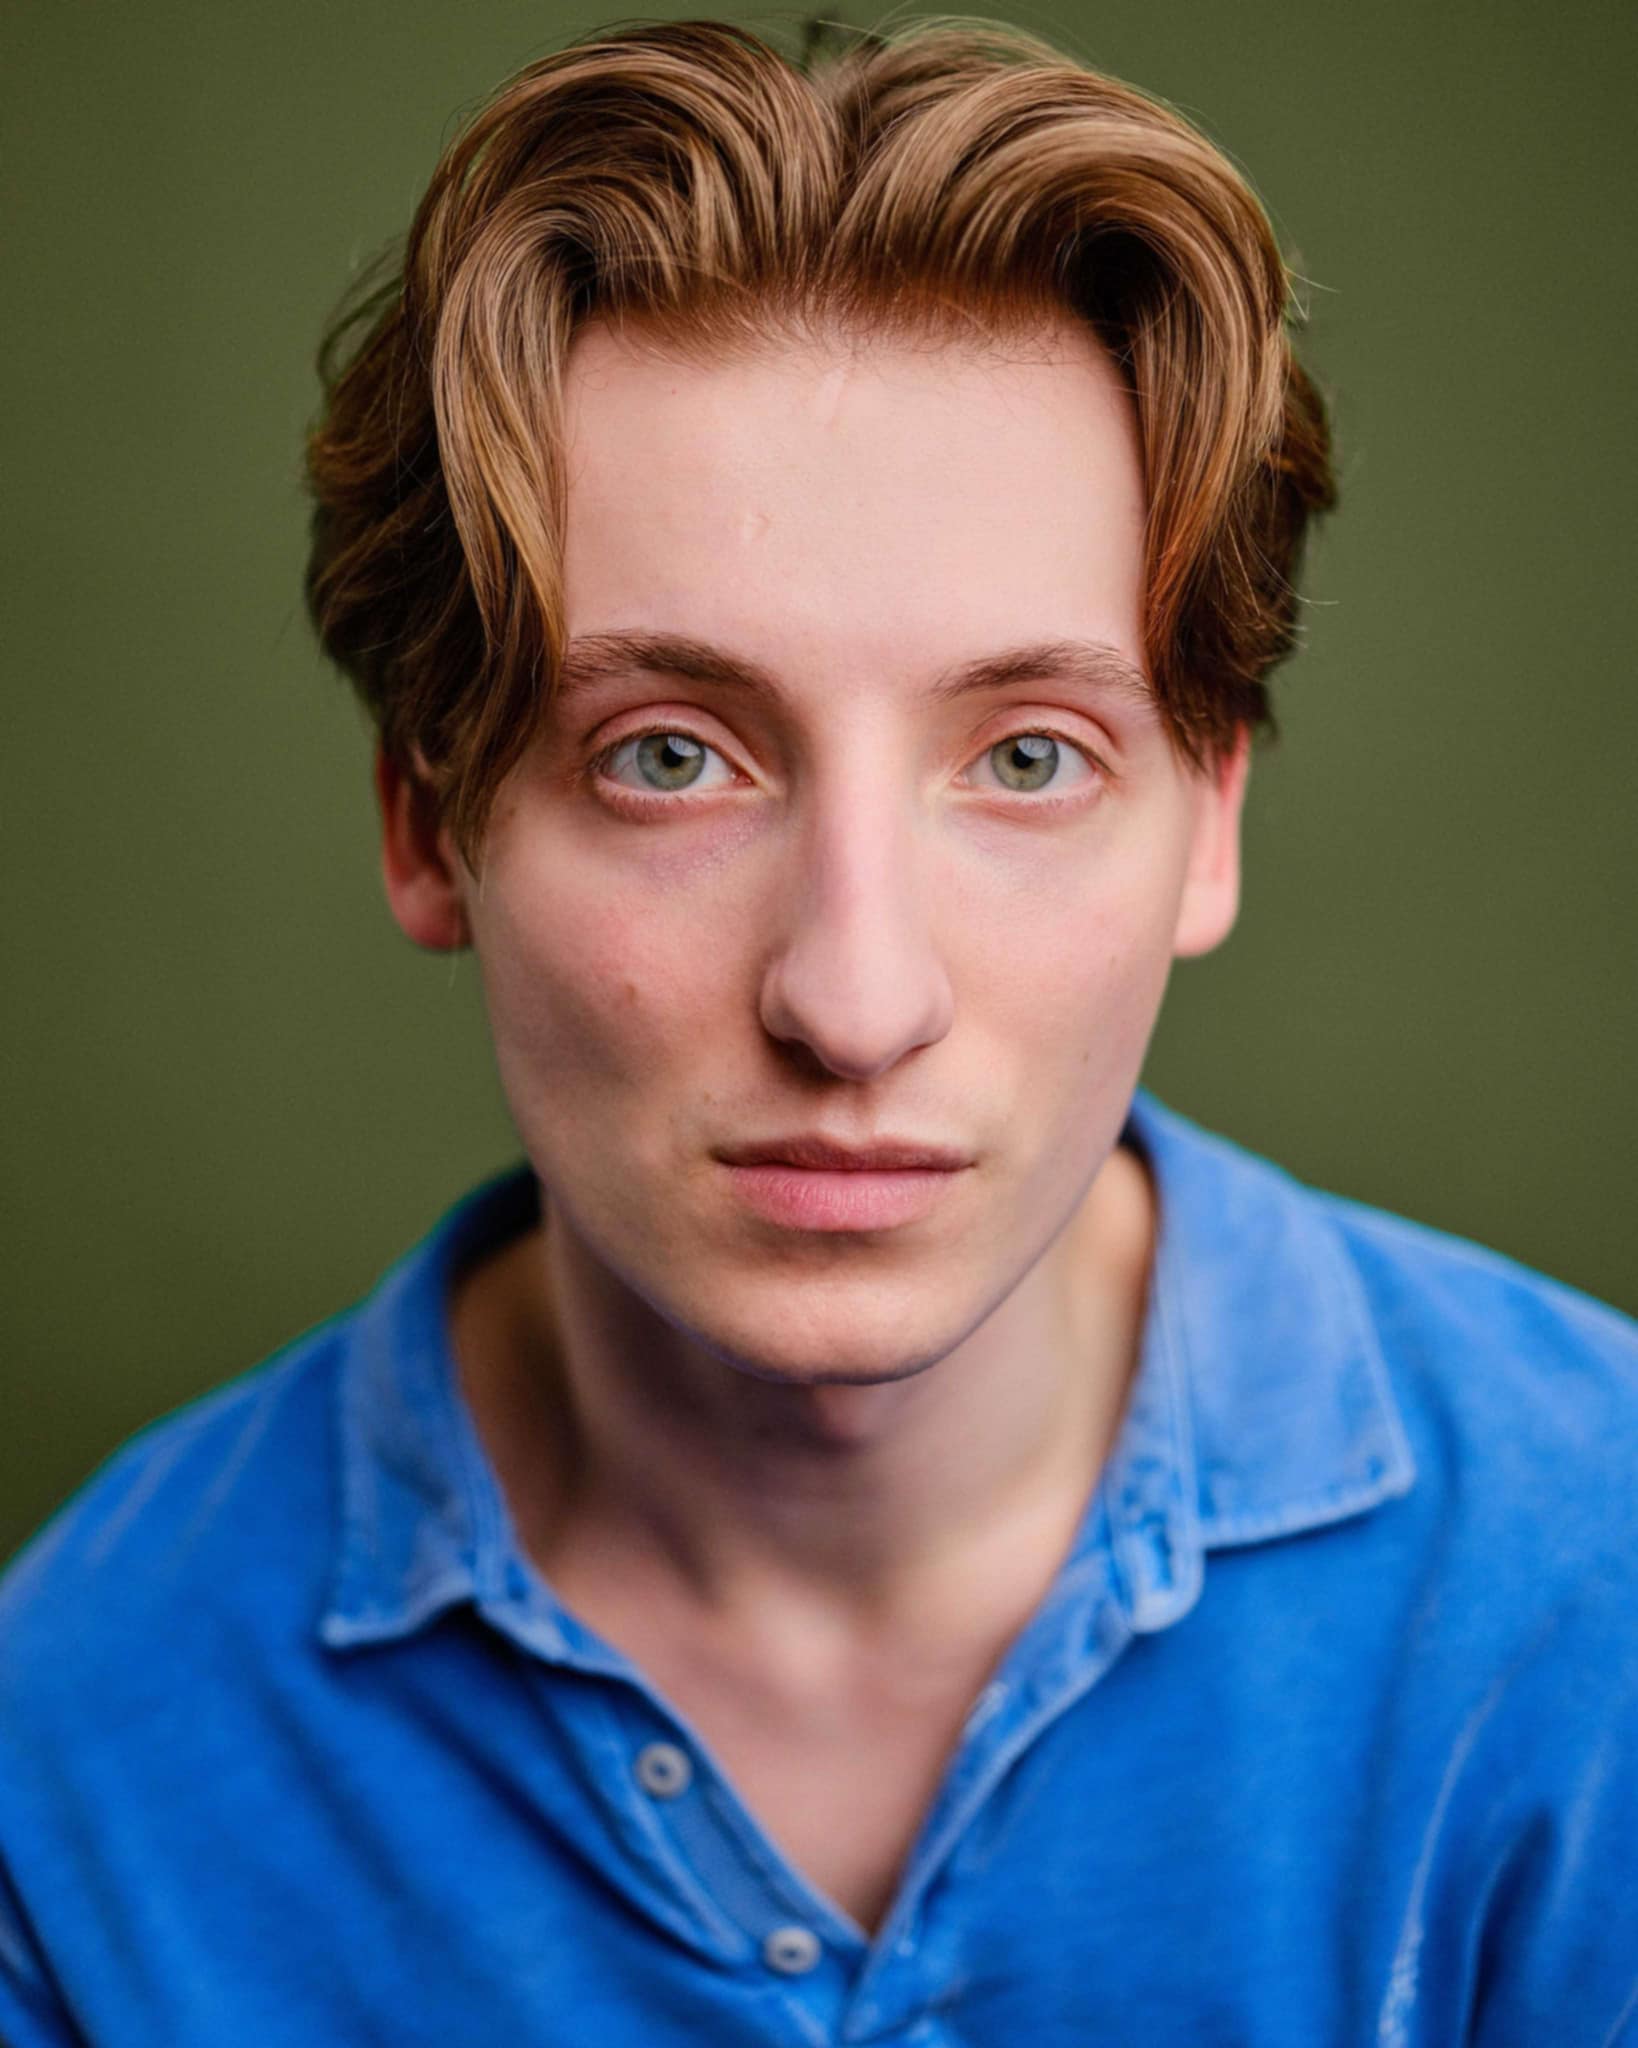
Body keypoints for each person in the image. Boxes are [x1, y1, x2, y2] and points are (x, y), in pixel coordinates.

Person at [1, 15, 1633, 2044]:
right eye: (668, 755)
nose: (856, 1001)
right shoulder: (66, 1758)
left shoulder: (1595, 1595)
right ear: (430, 825)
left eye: (1026, 756)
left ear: (1208, 822)